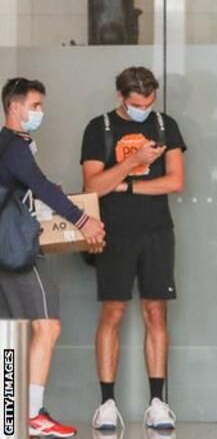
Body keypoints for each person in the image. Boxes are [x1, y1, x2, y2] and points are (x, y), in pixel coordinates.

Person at [81, 67, 187, 431]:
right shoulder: (99, 128)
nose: (144, 109)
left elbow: (175, 181)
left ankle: (157, 402)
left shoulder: (165, 125)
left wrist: (124, 185)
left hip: (157, 230)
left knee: (156, 312)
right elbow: (93, 186)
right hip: (114, 232)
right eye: (137, 104)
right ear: (121, 97)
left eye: (149, 101)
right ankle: (106, 403)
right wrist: (133, 162)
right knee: (112, 311)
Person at [0, 77, 106, 438]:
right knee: (47, 325)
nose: (40, 112)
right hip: (17, 252)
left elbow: (29, 190)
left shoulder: (6, 145)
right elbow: (41, 186)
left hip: (5, 250)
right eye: (35, 106)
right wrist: (83, 221)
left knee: (11, 332)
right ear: (14, 107)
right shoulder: (15, 146)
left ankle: (11, 415)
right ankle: (31, 413)